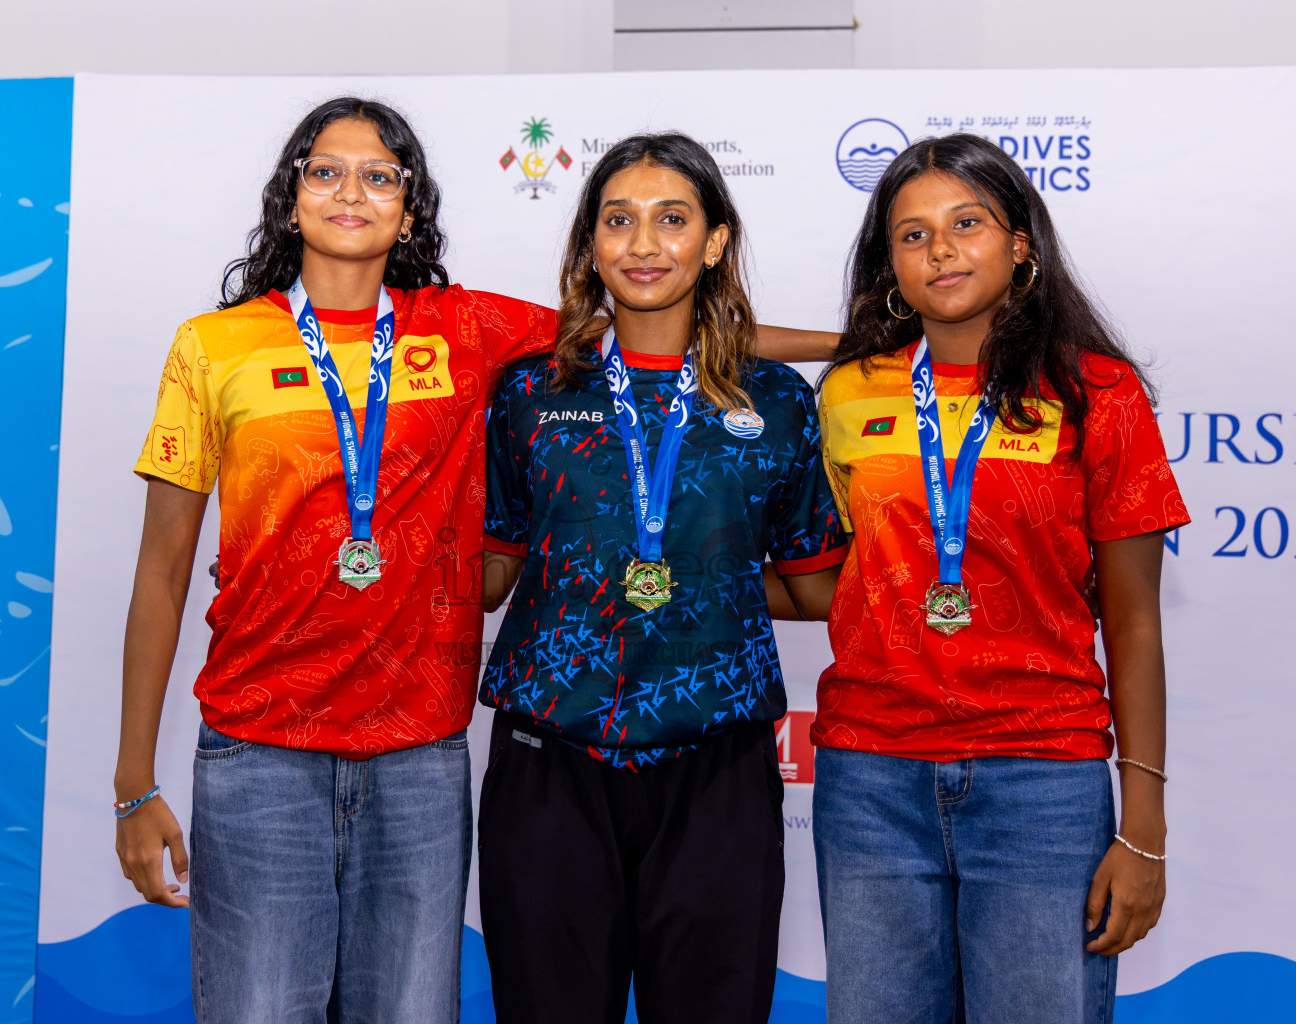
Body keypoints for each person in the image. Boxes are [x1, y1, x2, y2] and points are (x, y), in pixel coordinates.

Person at [112, 98, 835, 1023]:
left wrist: (873, 344)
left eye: (380, 176)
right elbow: (161, 571)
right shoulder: (212, 346)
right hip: (261, 746)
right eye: (325, 171)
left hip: (419, 749)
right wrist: (135, 785)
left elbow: (649, 328)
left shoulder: (466, 331)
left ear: (410, 209)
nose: (352, 192)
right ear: (289, 198)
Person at [811, 132, 1190, 1024]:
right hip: (869, 779)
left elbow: (1134, 624)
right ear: (888, 262)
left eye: (966, 223)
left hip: (1041, 785)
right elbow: (841, 576)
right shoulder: (850, 390)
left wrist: (1144, 827)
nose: (940, 249)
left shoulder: (1097, 393)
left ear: (1021, 242)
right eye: (911, 235)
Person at [477, 132, 847, 1024]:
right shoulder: (529, 390)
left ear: (714, 241)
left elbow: (811, 593)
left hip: (717, 765)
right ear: (591, 244)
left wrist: (693, 577)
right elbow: (490, 577)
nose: (644, 245)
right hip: (550, 757)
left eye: (671, 219)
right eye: (619, 220)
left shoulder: (779, 399)